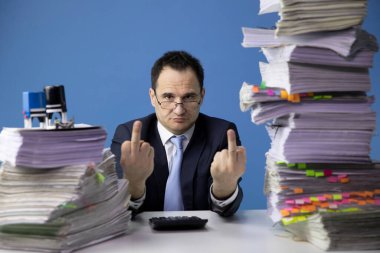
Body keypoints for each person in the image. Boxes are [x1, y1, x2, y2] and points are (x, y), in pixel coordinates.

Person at [111, 50, 246, 217]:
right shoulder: (129, 136)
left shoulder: (222, 134)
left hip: (204, 238)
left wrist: (224, 187)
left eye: (189, 97)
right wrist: (135, 183)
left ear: (202, 96)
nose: (179, 109)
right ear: (153, 97)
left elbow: (224, 211)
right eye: (168, 97)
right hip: (146, 240)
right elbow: (120, 212)